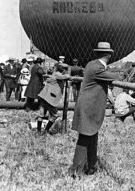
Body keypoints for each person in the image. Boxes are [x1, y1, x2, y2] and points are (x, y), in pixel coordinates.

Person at [68, 42, 120, 177]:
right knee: (85, 138)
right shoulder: (97, 68)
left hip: (89, 107)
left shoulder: (93, 65)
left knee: (91, 136)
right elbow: (116, 77)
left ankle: (91, 167)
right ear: (109, 55)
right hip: (89, 108)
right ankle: (76, 171)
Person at [37, 63, 70, 135]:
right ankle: (45, 130)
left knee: (41, 114)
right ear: (63, 70)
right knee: (55, 115)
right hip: (50, 98)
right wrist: (68, 75)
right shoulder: (57, 74)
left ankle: (39, 132)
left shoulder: (55, 74)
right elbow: (66, 76)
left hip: (45, 96)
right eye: (65, 70)